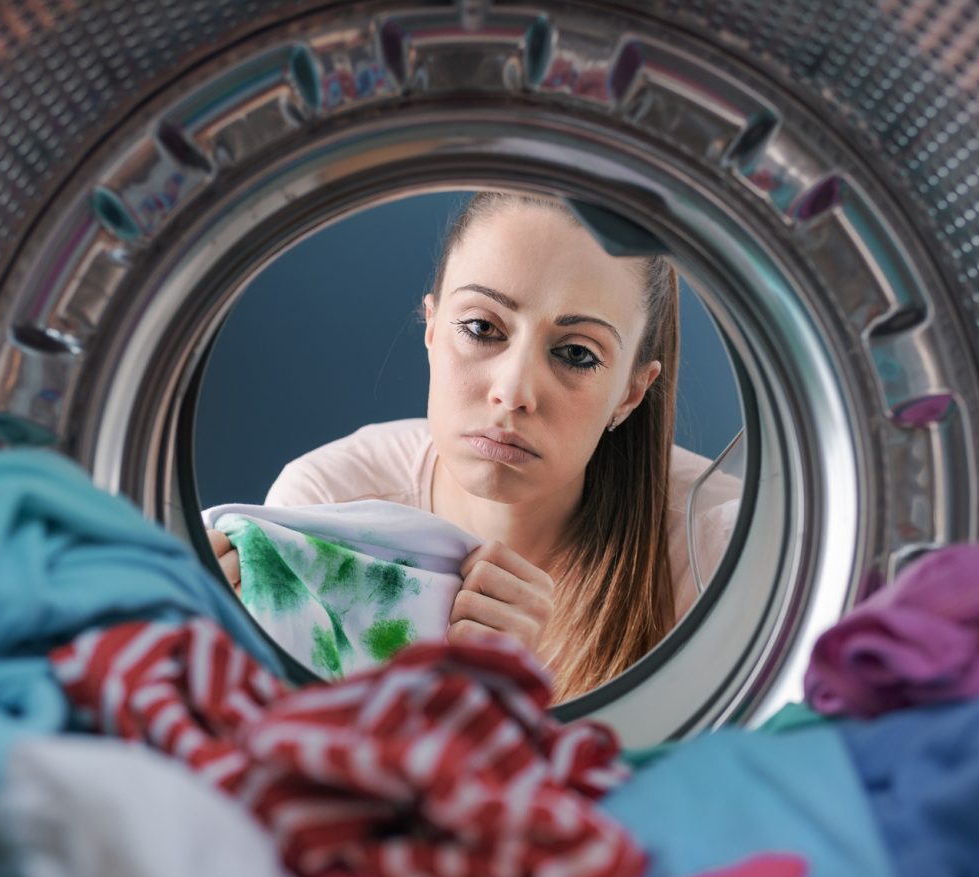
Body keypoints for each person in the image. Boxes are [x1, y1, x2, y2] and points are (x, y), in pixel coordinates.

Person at [209, 191, 740, 700]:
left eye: (577, 354)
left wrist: (515, 706)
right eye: (482, 327)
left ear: (630, 393)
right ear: (432, 329)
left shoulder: (716, 552)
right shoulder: (324, 503)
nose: (513, 392)